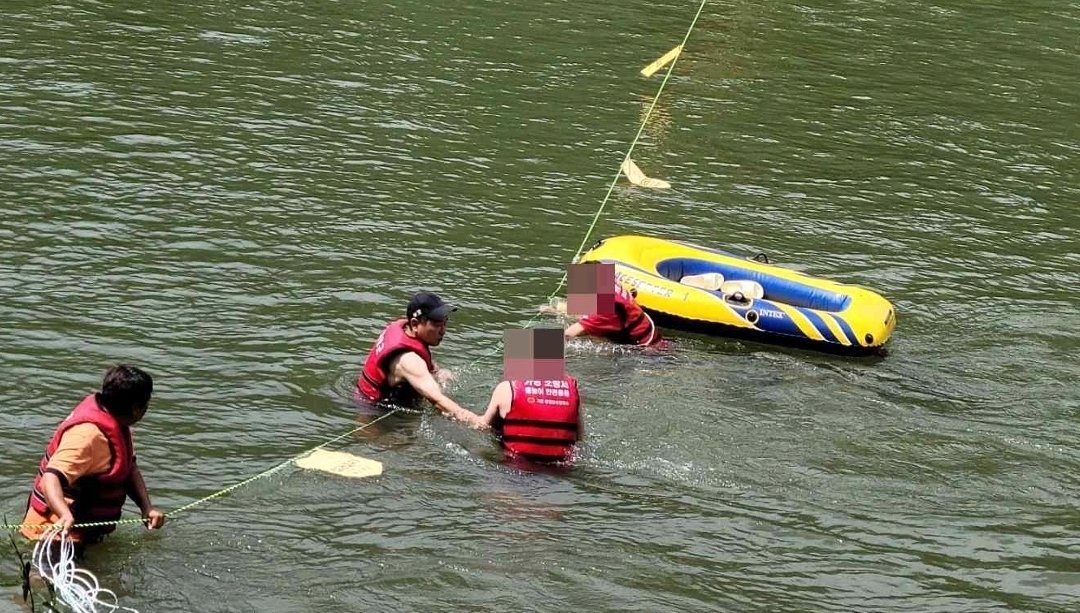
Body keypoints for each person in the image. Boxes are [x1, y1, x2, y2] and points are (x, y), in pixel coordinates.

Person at [21, 365, 165, 552]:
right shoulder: (88, 437)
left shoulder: (118, 425)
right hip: (52, 534)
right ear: (137, 409)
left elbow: (129, 469)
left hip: (83, 533)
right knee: (48, 581)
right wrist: (63, 514)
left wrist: (147, 508)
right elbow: (50, 479)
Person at [356, 291, 486, 428]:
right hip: (372, 416)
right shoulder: (409, 361)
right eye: (436, 324)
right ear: (415, 324)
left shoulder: (403, 328)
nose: (443, 330)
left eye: (445, 322)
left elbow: (421, 356)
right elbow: (438, 400)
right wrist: (476, 421)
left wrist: (437, 372)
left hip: (366, 398)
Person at [480, 328, 583, 465]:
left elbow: (481, 426)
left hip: (515, 471)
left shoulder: (507, 388)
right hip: (561, 472)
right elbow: (579, 437)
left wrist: (446, 403)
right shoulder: (573, 389)